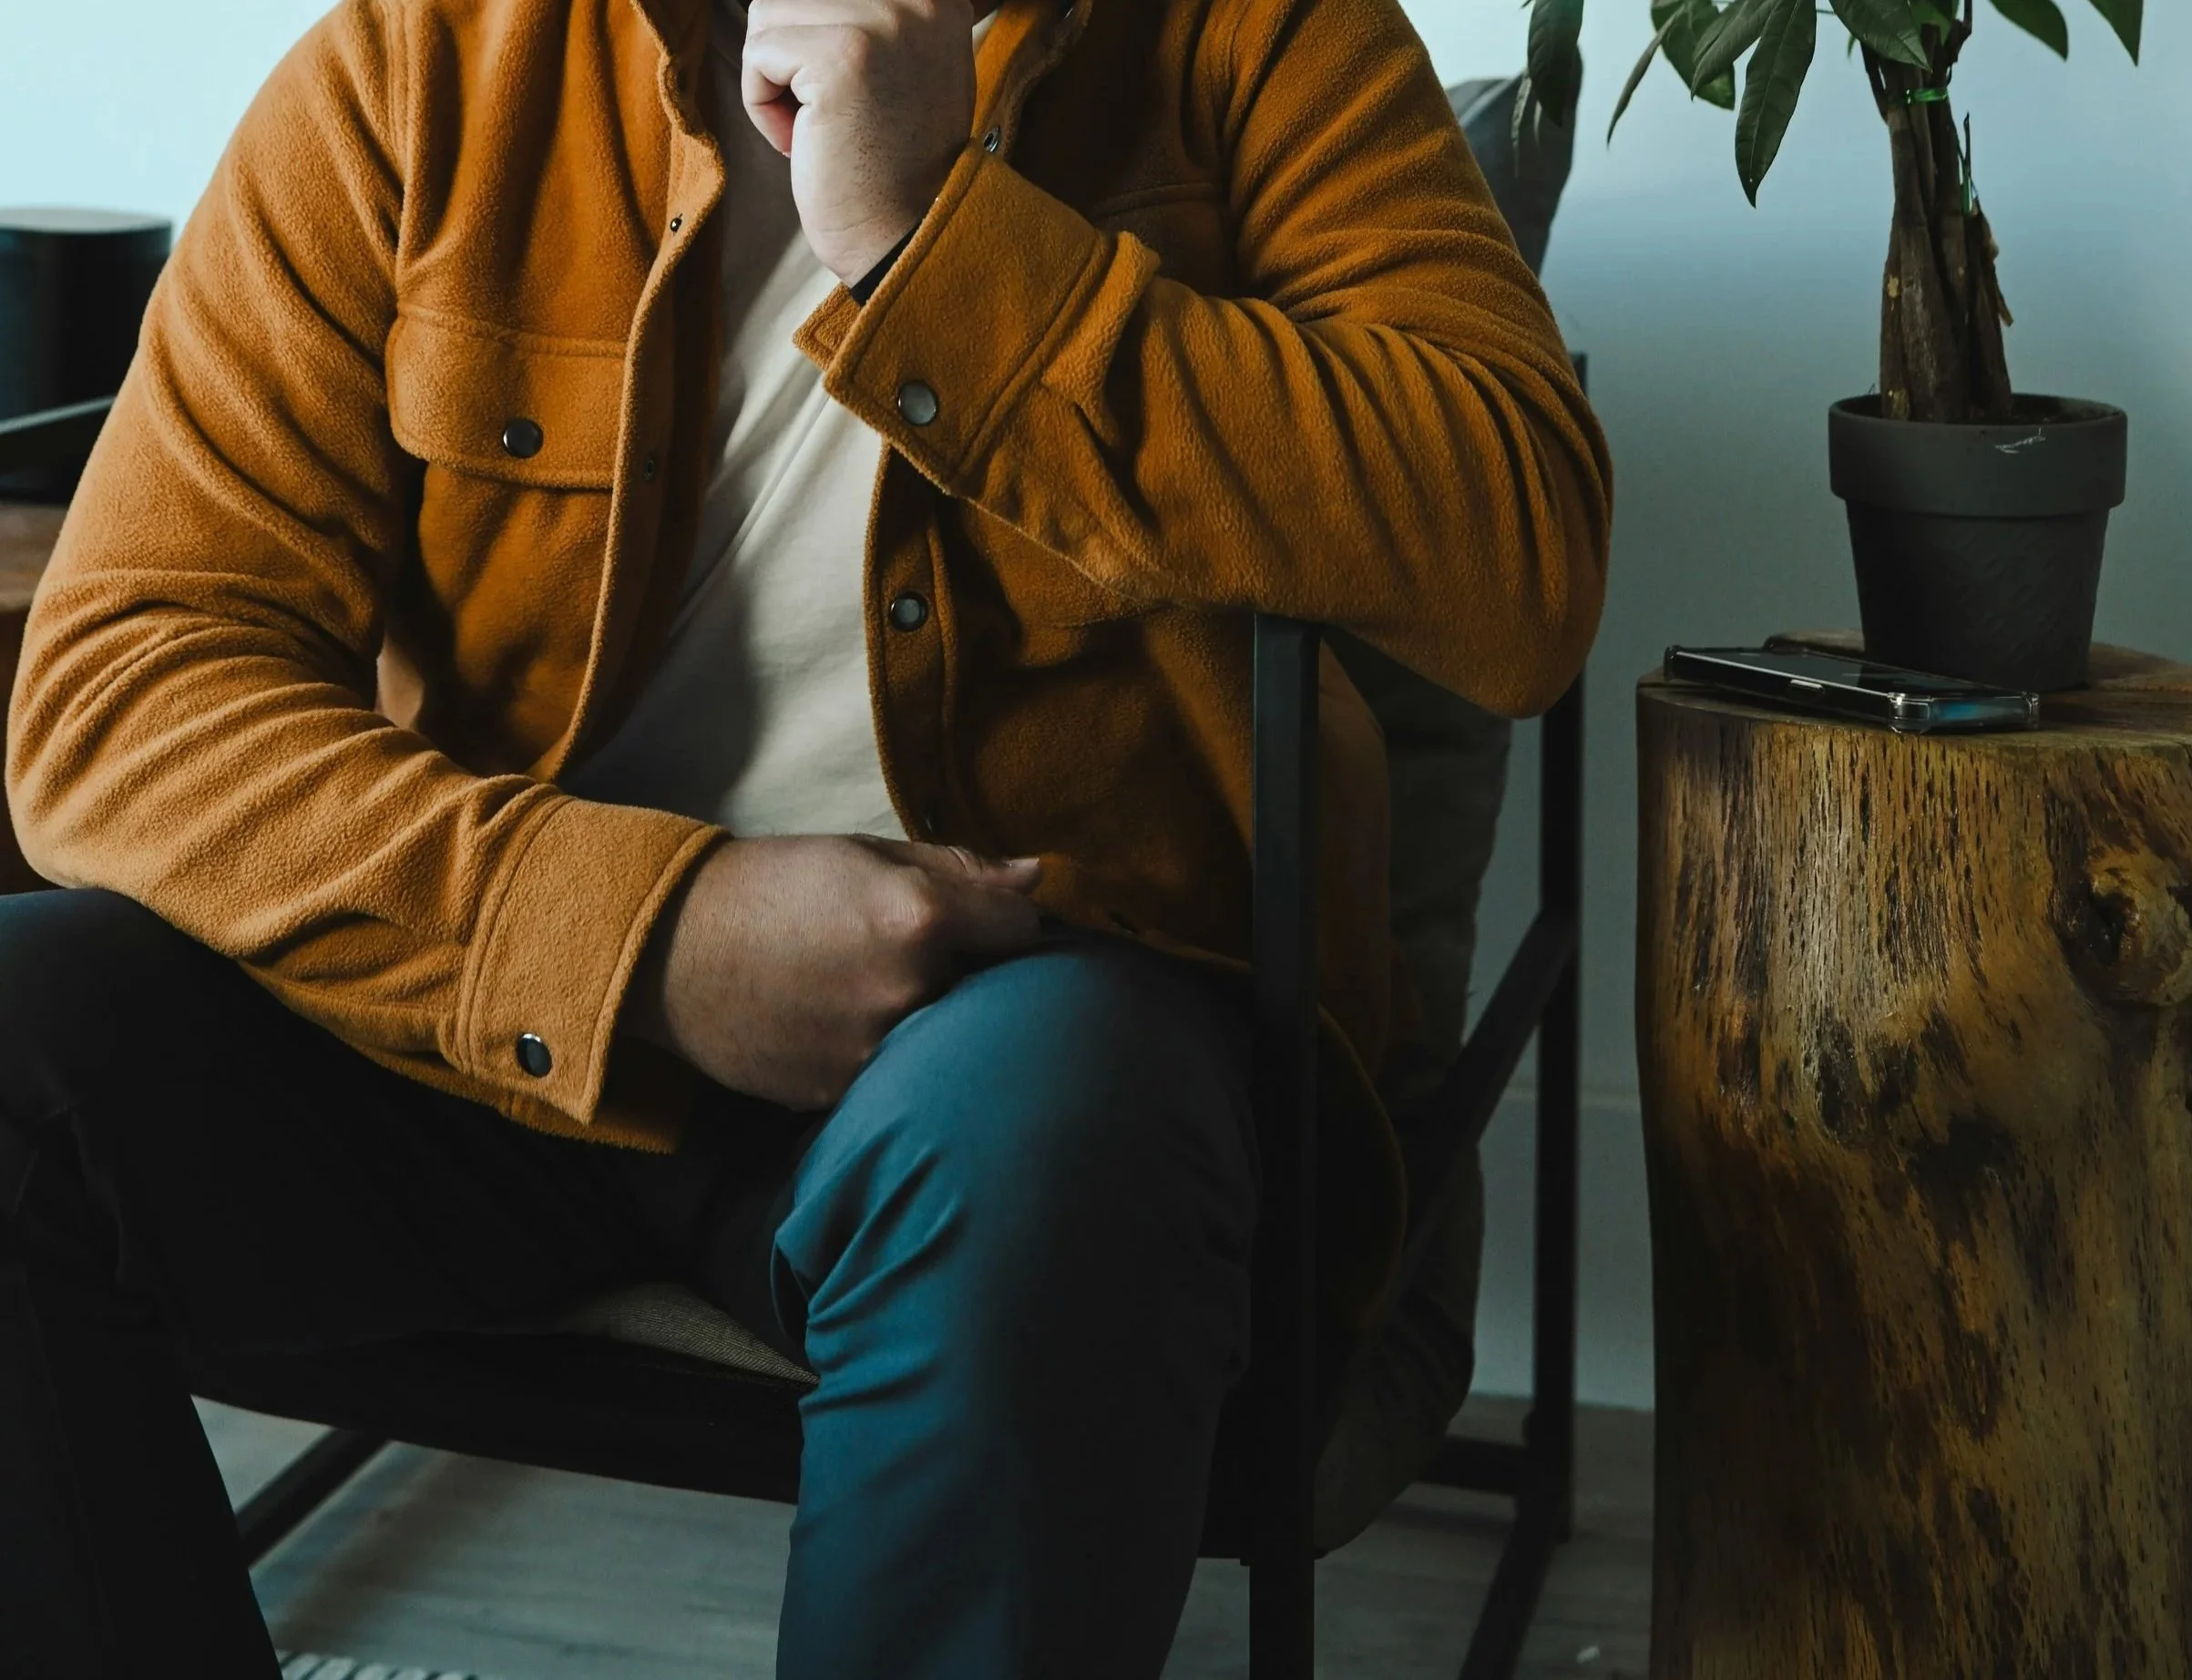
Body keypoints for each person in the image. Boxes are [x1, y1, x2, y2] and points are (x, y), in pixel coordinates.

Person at [0, 0, 1609, 1671]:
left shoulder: (1262, 41)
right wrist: (652, 939)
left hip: (1009, 1045)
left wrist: (939, 238)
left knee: (1048, 1120)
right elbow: (123, 688)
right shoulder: (424, 64)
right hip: (472, 1015)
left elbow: (1522, 573)